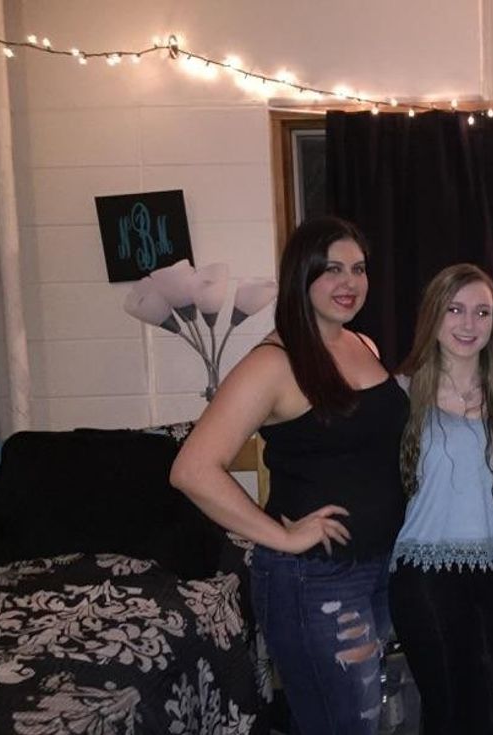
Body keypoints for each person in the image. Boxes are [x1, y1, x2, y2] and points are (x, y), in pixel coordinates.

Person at [170, 216, 409, 735]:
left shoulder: (362, 345)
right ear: (302, 274)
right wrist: (280, 536)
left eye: (359, 269)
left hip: (378, 567)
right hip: (315, 581)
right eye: (332, 269)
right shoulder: (273, 363)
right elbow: (192, 469)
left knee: (364, 720)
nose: (349, 282)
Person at [388, 263, 493, 735]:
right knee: (449, 714)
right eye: (455, 309)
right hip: (425, 574)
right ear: (433, 315)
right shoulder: (401, 392)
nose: (468, 323)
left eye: (482, 312)